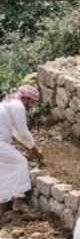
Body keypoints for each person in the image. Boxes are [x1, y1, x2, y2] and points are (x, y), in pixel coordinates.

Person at [0, 84, 44, 213]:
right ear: (28, 99)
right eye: (33, 102)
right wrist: (35, 152)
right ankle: (18, 202)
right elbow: (24, 133)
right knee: (21, 163)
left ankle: (3, 202)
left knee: (5, 170)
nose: (32, 106)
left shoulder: (8, 103)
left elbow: (14, 134)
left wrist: (29, 149)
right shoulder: (18, 107)